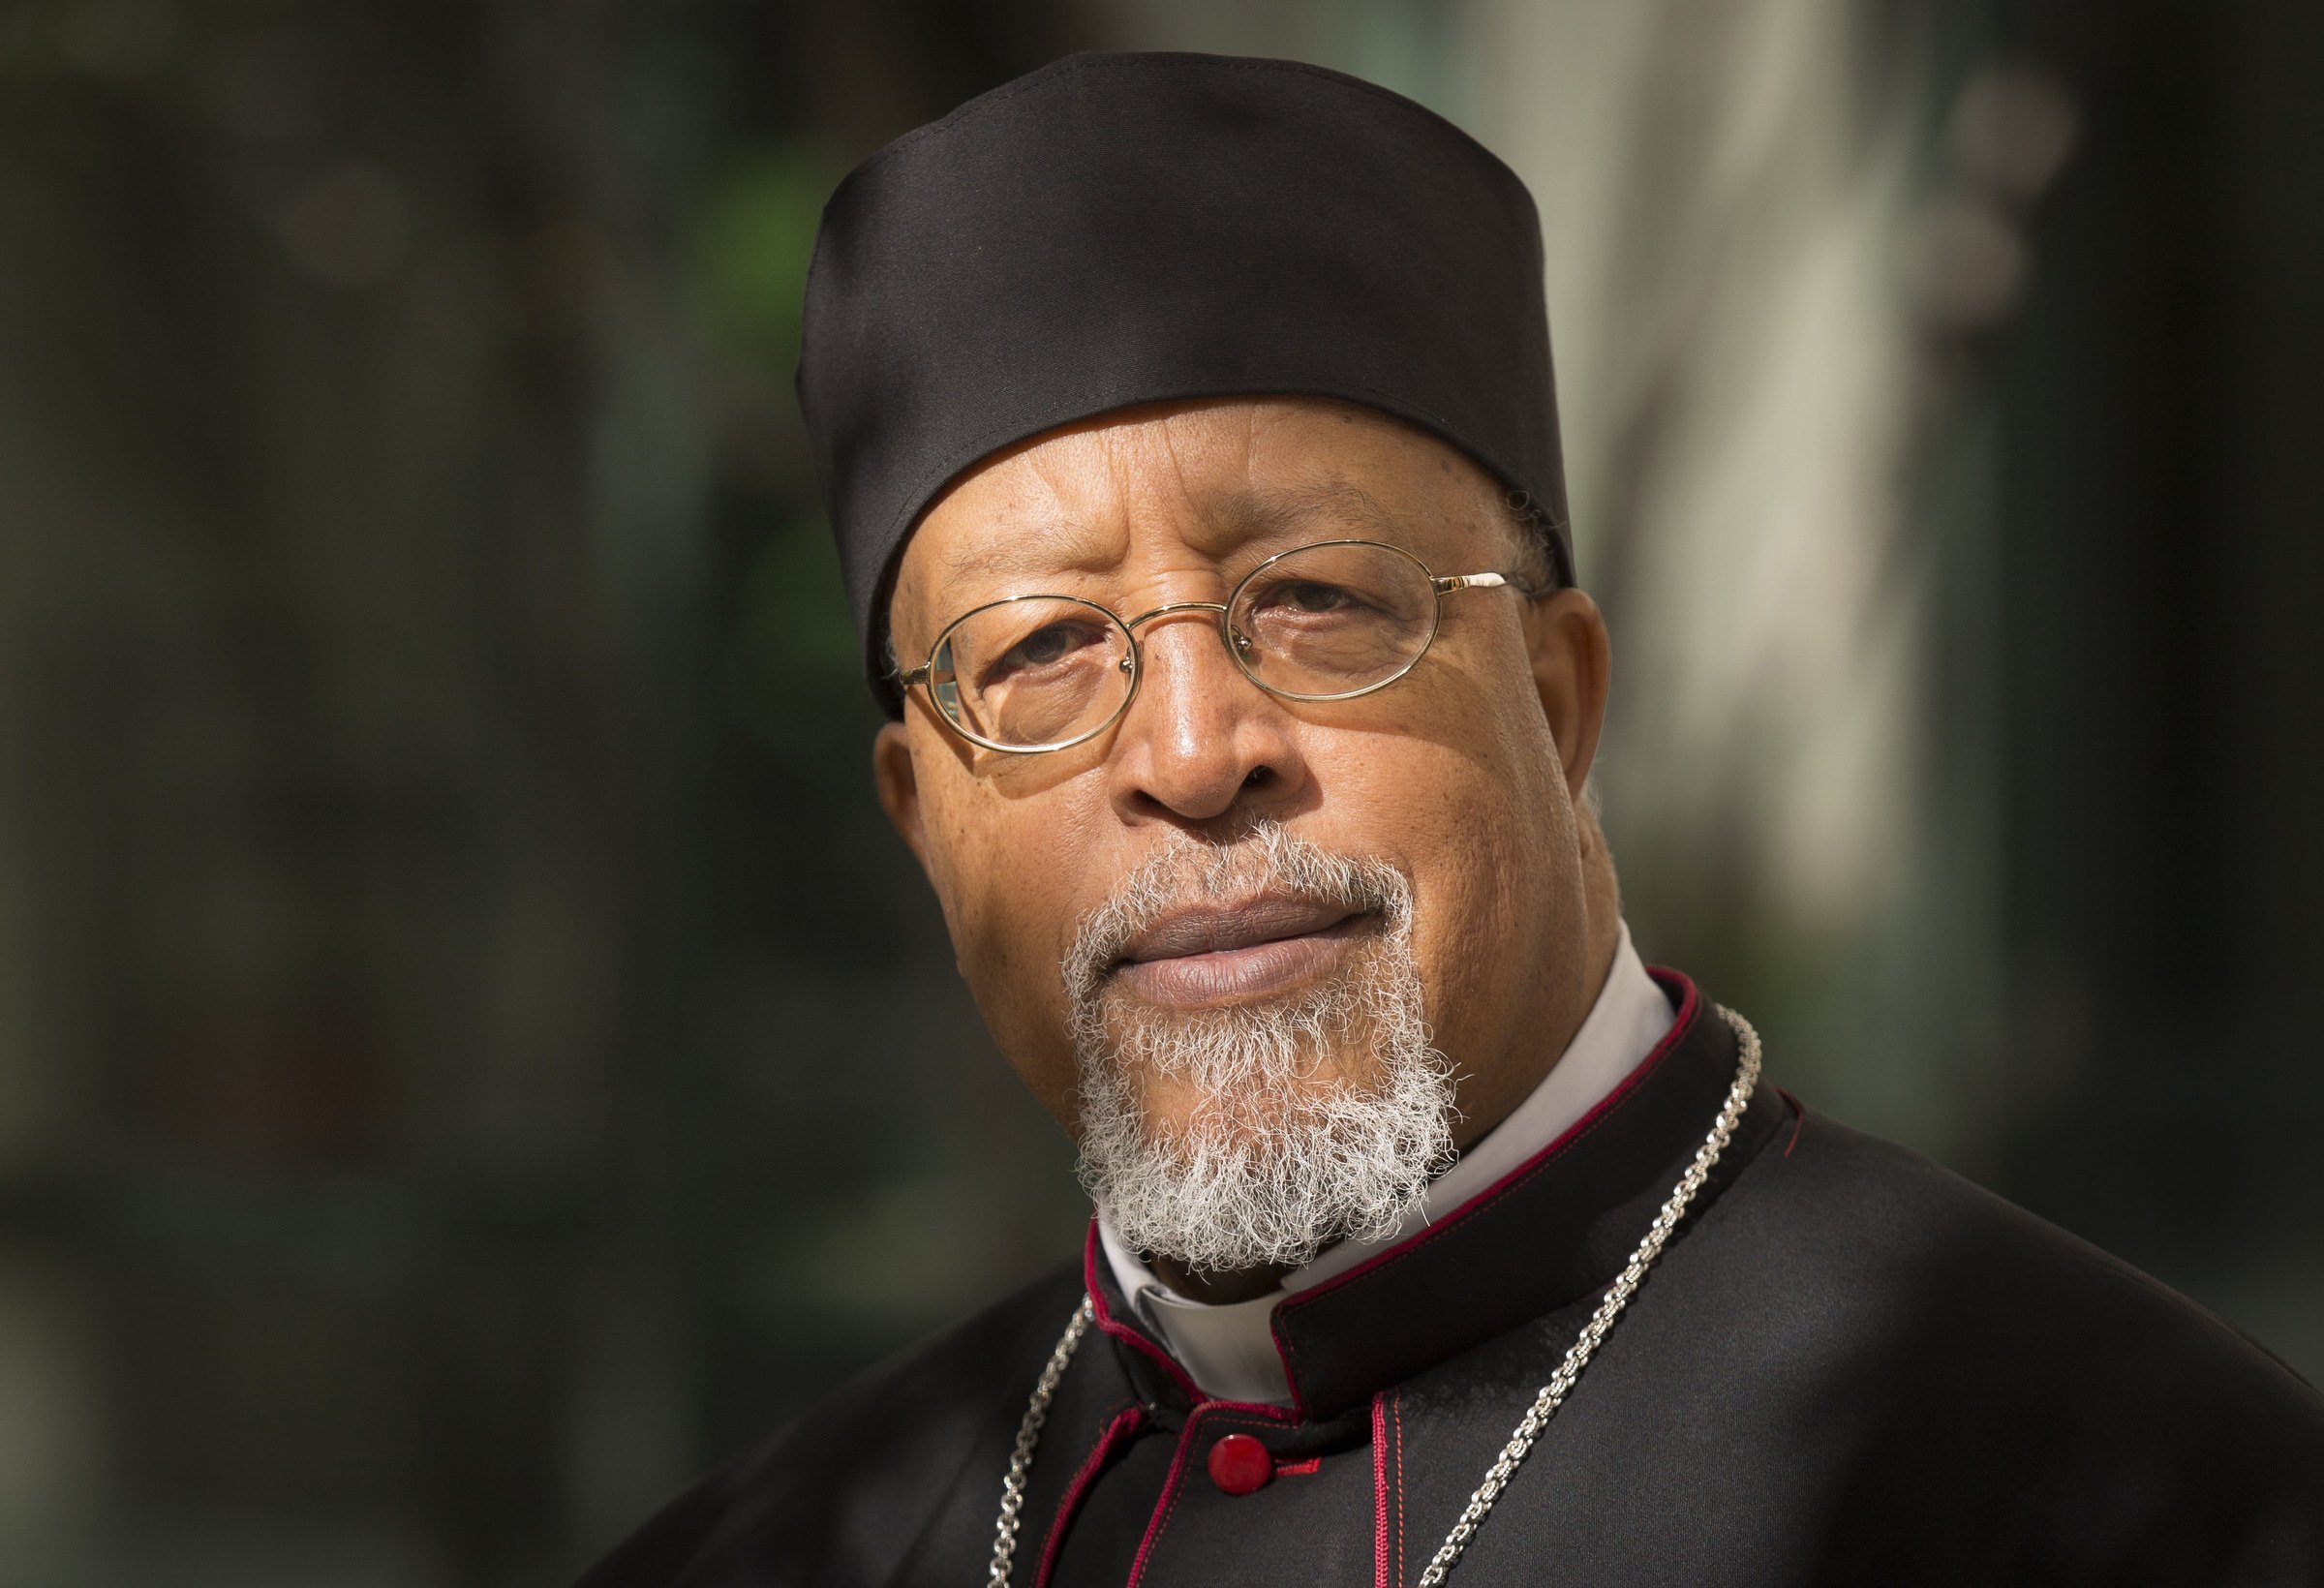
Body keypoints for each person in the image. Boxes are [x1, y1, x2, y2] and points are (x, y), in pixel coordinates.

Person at [579, 50, 2324, 1587]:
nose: (1192, 752)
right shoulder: (774, 1552)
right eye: (1041, 651)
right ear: (921, 816)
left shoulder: (2140, 1499)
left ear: (1558, 697)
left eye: (1315, 601)